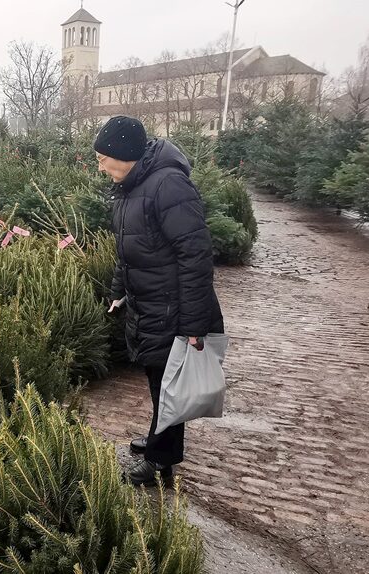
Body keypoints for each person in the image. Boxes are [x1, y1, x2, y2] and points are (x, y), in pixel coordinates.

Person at [96, 116, 225, 487]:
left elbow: (196, 255)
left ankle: (160, 461)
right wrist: (118, 290)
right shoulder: (130, 187)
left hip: (172, 304)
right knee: (158, 378)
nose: (101, 166)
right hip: (146, 299)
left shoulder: (168, 186)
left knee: (169, 383)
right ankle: (158, 438)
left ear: (126, 154)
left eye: (105, 158)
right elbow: (126, 248)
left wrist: (194, 325)